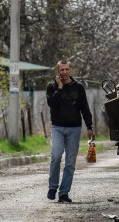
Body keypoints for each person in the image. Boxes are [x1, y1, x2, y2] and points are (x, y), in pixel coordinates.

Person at [46, 60, 94, 203]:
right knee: (55, 156)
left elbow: (84, 107)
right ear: (58, 71)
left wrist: (89, 126)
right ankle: (53, 187)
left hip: (74, 128)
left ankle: (64, 193)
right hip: (57, 127)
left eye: (67, 69)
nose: (65, 72)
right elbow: (52, 104)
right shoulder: (52, 86)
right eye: (62, 70)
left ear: (71, 70)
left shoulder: (78, 87)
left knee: (70, 163)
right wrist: (59, 88)